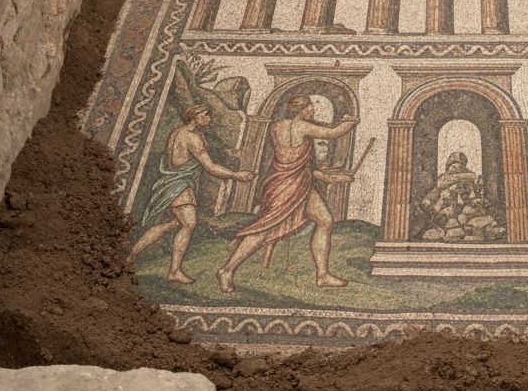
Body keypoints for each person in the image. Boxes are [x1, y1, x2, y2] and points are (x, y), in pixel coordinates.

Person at [217, 96, 358, 292]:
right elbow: (334, 132)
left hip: (290, 181)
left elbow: (300, 162)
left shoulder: (276, 127)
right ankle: (227, 270)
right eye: (310, 107)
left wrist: (331, 177)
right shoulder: (302, 127)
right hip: (288, 184)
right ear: (304, 109)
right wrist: (350, 122)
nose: (313, 110)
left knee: (325, 220)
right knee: (264, 229)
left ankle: (322, 275)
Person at [130, 104, 255, 284]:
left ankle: (131, 255)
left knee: (170, 223)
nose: (208, 119)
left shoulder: (177, 132)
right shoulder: (193, 138)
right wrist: (236, 175)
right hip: (179, 183)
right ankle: (174, 271)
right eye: (204, 115)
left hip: (170, 181)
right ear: (194, 117)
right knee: (189, 223)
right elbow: (210, 167)